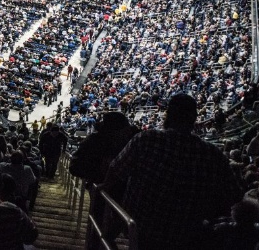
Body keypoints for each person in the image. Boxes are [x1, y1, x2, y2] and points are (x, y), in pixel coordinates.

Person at [103, 94, 243, 250]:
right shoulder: (212, 154)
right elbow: (234, 195)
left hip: (139, 228)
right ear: (194, 119)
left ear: (168, 115)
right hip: (186, 237)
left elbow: (115, 172)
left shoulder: (147, 139)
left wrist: (102, 194)